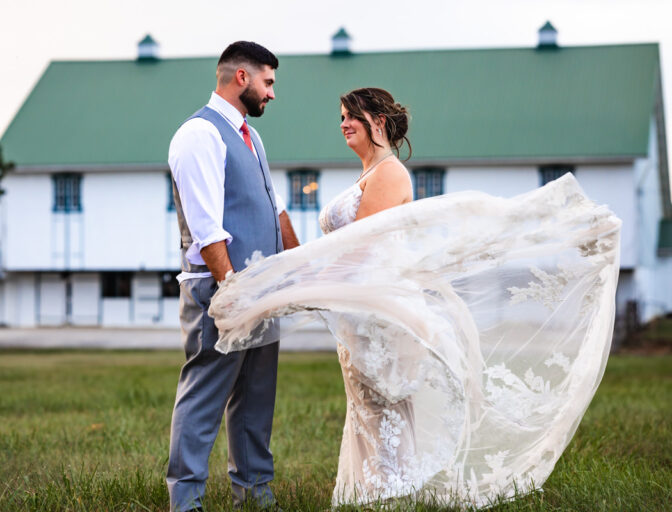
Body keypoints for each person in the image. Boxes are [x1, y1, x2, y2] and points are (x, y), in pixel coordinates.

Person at [209, 88, 621, 508]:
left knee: (386, 411)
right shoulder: (369, 175)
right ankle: (376, 495)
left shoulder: (389, 174)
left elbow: (360, 251)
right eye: (341, 116)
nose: (343, 123)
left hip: (382, 315)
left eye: (351, 116)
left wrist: (295, 283)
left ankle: (390, 495)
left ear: (379, 123)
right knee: (370, 410)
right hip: (360, 312)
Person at [166, 41, 299, 512]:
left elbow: (274, 208)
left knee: (256, 397)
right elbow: (207, 229)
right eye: (268, 83)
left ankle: (255, 495)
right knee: (204, 394)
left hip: (261, 289)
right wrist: (232, 289)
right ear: (241, 78)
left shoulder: (250, 136)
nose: (272, 94)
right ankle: (186, 502)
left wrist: (298, 268)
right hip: (220, 289)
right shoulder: (198, 135)